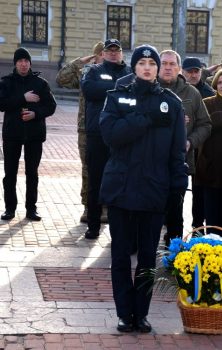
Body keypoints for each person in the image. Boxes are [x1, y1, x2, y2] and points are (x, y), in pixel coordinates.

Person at [99, 44, 188, 333]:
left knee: (148, 257)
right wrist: (145, 118)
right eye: (142, 62)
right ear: (134, 67)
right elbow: (112, 136)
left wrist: (178, 187)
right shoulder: (117, 97)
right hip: (121, 188)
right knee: (122, 254)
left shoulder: (172, 104)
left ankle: (142, 312)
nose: (148, 67)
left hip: (153, 189)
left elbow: (177, 153)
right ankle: (125, 313)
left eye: (152, 62)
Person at [158, 49, 211, 246]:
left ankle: (174, 250)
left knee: (175, 210)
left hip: (180, 162)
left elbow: (205, 124)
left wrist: (191, 141)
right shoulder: (149, 90)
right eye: (164, 64)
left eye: (172, 64)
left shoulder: (192, 93)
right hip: (150, 161)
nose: (168, 68)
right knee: (150, 208)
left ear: (179, 68)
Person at [81, 39, 132, 239]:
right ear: (102, 53)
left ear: (121, 53)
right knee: (96, 181)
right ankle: (93, 225)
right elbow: (90, 90)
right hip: (97, 134)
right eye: (109, 50)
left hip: (122, 135)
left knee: (121, 182)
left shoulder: (129, 72)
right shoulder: (93, 70)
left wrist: (109, 87)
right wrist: (117, 88)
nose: (112, 54)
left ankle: (117, 229)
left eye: (116, 50)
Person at [0, 47, 57, 221]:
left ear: (30, 63)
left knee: (32, 173)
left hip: (34, 135)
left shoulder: (40, 84)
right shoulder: (6, 82)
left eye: (26, 61)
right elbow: (2, 104)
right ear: (15, 63)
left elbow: (51, 106)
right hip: (12, 134)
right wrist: (23, 98)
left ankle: (31, 209)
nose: (23, 64)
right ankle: (10, 208)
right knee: (10, 173)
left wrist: (36, 114)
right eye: (20, 61)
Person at [56, 41, 104, 223]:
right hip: (86, 129)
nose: (103, 58)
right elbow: (61, 79)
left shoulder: (115, 74)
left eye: (105, 54)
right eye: (99, 54)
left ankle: (105, 207)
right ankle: (88, 206)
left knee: (108, 168)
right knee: (88, 169)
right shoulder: (86, 75)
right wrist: (80, 62)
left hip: (109, 129)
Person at [195, 68, 222, 232]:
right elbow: (207, 124)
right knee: (211, 211)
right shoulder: (208, 102)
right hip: (211, 165)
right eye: (220, 82)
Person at [181, 56, 215, 229]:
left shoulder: (209, 93)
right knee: (177, 188)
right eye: (190, 71)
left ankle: (197, 224)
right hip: (182, 147)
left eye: (197, 71)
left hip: (202, 149)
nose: (193, 75)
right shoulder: (176, 90)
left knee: (199, 191)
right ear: (183, 72)